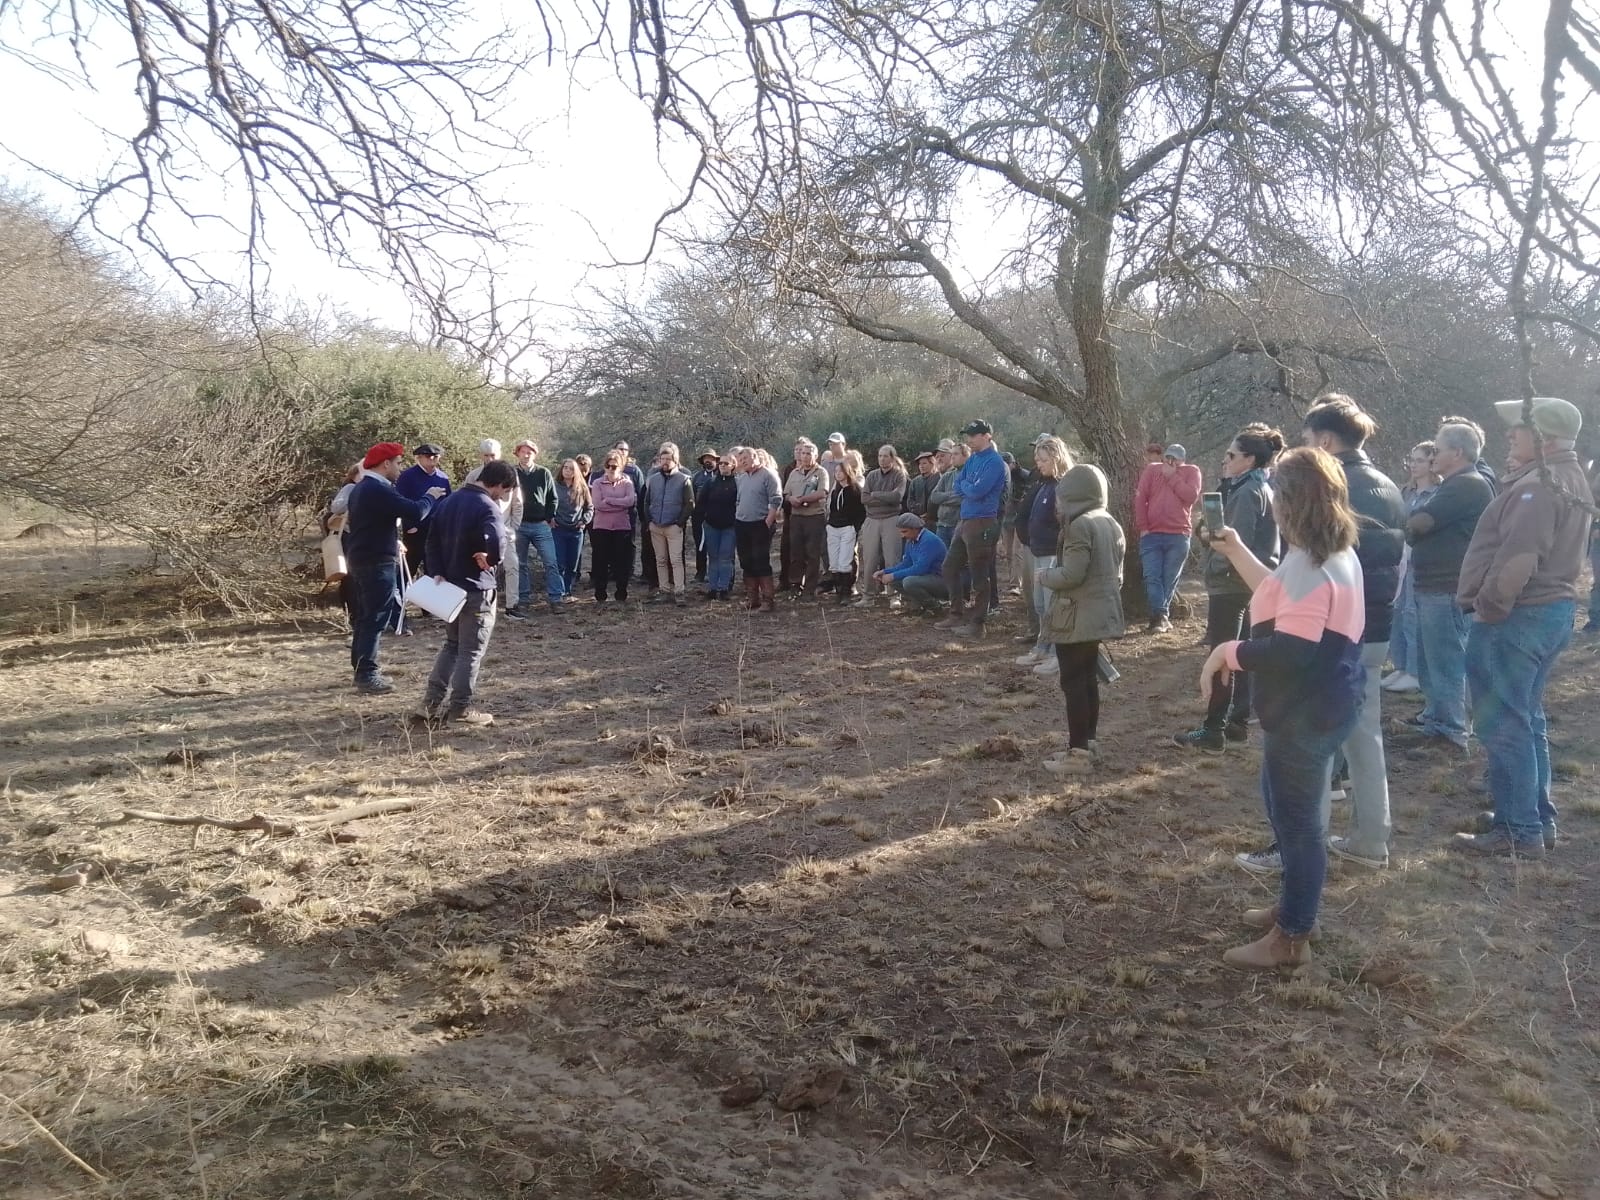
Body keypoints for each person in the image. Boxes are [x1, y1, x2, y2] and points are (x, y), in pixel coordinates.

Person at [1200, 447, 1366, 969]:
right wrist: (1237, 552)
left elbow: (1292, 651)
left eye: (1276, 494)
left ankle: (1292, 936)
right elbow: (1279, 592)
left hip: (1305, 711)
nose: (1270, 504)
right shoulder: (1319, 553)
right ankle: (1295, 907)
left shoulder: (1316, 565)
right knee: (1283, 808)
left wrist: (1228, 652)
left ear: (1290, 502)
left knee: (1298, 825)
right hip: (1310, 705)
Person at [1453, 398, 1594, 858]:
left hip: (1518, 617)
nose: (1510, 434)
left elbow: (1518, 560)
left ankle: (1520, 830)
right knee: (1527, 719)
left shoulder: (1540, 486)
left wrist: (1488, 610)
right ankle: (1534, 816)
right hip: (1548, 612)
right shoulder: (1567, 479)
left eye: (1519, 428)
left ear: (1545, 438)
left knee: (1503, 724)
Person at [1298, 394, 1406, 872]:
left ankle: (1306, 839)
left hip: (1338, 629)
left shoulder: (1332, 486)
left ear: (1324, 439)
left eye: (1306, 440)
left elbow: (1317, 562)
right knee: (1364, 734)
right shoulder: (1389, 485)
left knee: (1317, 735)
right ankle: (1371, 837)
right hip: (1379, 624)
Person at [1174, 425, 1283, 757]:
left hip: (1232, 583)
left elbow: (1234, 543)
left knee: (1222, 654)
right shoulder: (1260, 487)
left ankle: (1214, 729)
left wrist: (1203, 533)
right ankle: (1235, 723)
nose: (1225, 460)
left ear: (1249, 460)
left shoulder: (1248, 492)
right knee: (1244, 653)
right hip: (1249, 583)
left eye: (1231, 455)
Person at [1400, 420, 1494, 754]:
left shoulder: (1466, 485)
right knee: (1431, 662)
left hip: (1447, 588)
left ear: (1457, 452)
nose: (1433, 455)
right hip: (1434, 587)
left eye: (1437, 450)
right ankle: (1437, 723)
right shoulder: (1453, 484)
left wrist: (1409, 525)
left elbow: (1418, 523)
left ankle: (1451, 735)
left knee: (1446, 662)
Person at [1039, 463, 1126, 774]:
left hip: (1076, 617)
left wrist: (1045, 576)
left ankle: (1077, 755)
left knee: (1074, 683)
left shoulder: (1079, 526)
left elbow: (1072, 575)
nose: (1058, 503)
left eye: (1062, 496)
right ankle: (1088, 744)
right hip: (1099, 615)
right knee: (1088, 681)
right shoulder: (1109, 521)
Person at [418, 459, 517, 726]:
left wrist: (436, 570)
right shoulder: (488, 506)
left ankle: (429, 704)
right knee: (470, 652)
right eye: (504, 490)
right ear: (498, 484)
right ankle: (460, 710)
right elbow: (497, 540)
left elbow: (431, 539)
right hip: (477, 588)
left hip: (449, 586)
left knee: (451, 645)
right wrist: (492, 557)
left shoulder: (449, 501)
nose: (503, 496)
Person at [345, 442, 444, 693]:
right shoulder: (377, 489)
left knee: (366, 618)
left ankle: (362, 671)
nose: (401, 468)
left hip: (362, 558)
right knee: (375, 618)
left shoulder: (363, 488)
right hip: (376, 561)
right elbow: (415, 510)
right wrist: (430, 496)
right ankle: (367, 674)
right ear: (386, 463)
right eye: (398, 463)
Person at [936, 421, 1008, 638]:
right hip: (965, 520)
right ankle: (956, 613)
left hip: (983, 521)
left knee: (979, 574)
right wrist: (969, 486)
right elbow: (960, 484)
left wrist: (968, 487)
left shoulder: (995, 462)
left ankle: (978, 624)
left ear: (987, 436)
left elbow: (977, 491)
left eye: (974, 435)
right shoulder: (974, 458)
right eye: (968, 435)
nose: (970, 439)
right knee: (949, 566)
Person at [1381, 442, 1442, 693]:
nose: (1414, 465)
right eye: (1412, 459)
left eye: (1420, 460)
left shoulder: (1438, 494)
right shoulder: (1406, 491)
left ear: (1432, 463)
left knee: (1411, 613)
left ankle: (1416, 672)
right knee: (1397, 611)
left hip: (1420, 561)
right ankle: (1402, 666)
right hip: (1400, 558)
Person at [1015, 436, 1073, 674]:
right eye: (1037, 459)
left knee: (1053, 606)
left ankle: (1057, 654)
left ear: (1056, 458)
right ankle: (1043, 646)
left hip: (1052, 554)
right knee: (1040, 605)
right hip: (1037, 551)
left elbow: (1065, 523)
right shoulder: (1044, 484)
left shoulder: (1063, 486)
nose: (1038, 463)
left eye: (1043, 459)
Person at [1134, 443, 1203, 632]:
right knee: (1151, 576)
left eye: (1175, 459)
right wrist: (1143, 527)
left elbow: (1190, 496)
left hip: (1179, 535)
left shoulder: (1191, 471)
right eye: (1168, 457)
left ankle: (1159, 618)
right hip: (1152, 534)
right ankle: (1161, 617)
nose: (1170, 462)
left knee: (1169, 578)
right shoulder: (1151, 470)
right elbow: (1140, 498)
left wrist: (1173, 477)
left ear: (1182, 460)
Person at [463, 439, 524, 618]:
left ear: (499, 454)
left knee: (512, 566)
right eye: (486, 455)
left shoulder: (510, 474)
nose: (490, 459)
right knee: (484, 567)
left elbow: (517, 503)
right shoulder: (473, 476)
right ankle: (484, 605)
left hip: (504, 528)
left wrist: (513, 528)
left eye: (493, 455)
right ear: (481, 456)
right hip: (480, 531)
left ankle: (512, 606)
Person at [509, 438, 565, 615]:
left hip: (541, 525)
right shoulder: (511, 473)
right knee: (521, 564)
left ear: (535, 454)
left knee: (551, 562)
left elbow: (552, 498)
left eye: (529, 452)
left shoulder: (544, 473)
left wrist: (548, 517)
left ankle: (556, 599)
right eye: (523, 451)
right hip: (519, 525)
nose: (526, 455)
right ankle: (523, 599)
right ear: (517, 453)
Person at [643, 444, 696, 605]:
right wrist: (650, 521)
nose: (665, 462)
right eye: (662, 459)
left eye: (668, 459)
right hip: (656, 527)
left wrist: (679, 523)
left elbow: (690, 504)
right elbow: (646, 502)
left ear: (675, 460)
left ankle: (679, 591)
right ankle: (664, 590)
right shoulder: (653, 480)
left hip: (673, 527)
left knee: (676, 560)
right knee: (660, 559)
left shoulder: (684, 479)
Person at [857, 445, 909, 607]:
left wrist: (876, 495)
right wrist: (883, 498)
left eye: (886, 456)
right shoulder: (872, 476)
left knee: (892, 558)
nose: (882, 459)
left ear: (893, 458)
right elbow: (864, 498)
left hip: (891, 519)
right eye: (880, 456)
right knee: (870, 558)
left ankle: (894, 595)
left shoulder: (899, 476)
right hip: (872, 520)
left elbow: (897, 497)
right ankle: (868, 597)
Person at [735, 446, 783, 610]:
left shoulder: (768, 475)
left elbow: (776, 500)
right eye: (741, 460)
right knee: (746, 561)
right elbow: (739, 500)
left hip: (760, 524)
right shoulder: (741, 477)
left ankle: (768, 600)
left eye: (746, 459)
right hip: (742, 524)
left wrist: (768, 522)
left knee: (760, 560)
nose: (743, 462)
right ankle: (752, 598)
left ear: (755, 457)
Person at [784, 437, 832, 598]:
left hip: (814, 517)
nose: (805, 456)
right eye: (803, 453)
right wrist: (792, 500)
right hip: (796, 518)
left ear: (816, 456)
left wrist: (803, 499)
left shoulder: (821, 472)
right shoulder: (794, 473)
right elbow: (786, 493)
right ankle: (795, 585)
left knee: (813, 554)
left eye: (809, 453)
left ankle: (810, 589)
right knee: (796, 553)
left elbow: (822, 492)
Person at [395, 443, 451, 576]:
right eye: (427, 456)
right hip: (416, 529)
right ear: (419, 458)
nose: (431, 459)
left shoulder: (443, 478)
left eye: (435, 456)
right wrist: (409, 525)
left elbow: (448, 501)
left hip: (437, 529)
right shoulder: (407, 476)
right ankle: (401, 594)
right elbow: (401, 502)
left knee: (433, 567)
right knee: (409, 566)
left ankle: (428, 596)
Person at [590, 451, 638, 604]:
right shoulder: (597, 483)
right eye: (608, 466)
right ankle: (600, 594)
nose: (611, 469)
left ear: (621, 466)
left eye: (615, 466)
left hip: (621, 527)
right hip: (601, 528)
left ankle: (621, 593)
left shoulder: (628, 482)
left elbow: (630, 501)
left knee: (621, 562)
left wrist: (609, 500)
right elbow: (597, 504)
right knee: (601, 561)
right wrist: (619, 503)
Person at [878, 512, 949, 613]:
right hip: (927, 578)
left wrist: (892, 575)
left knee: (909, 582)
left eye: (905, 532)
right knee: (895, 581)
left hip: (942, 581)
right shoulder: (911, 540)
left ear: (915, 528)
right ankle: (919, 605)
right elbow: (906, 563)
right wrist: (886, 572)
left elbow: (920, 568)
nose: (902, 536)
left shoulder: (929, 540)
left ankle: (934, 608)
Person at [696, 451, 740, 601]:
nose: (722, 466)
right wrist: (703, 519)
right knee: (713, 557)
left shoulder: (737, 483)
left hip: (730, 526)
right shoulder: (711, 482)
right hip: (711, 525)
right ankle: (713, 588)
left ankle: (724, 588)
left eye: (726, 463)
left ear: (733, 465)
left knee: (725, 558)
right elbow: (701, 503)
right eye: (720, 463)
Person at [825, 458, 867, 602]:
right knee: (834, 560)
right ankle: (838, 590)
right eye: (835, 471)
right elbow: (831, 509)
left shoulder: (855, 490)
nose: (837, 474)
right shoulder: (836, 490)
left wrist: (854, 528)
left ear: (847, 471)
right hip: (833, 527)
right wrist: (829, 524)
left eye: (840, 471)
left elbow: (861, 511)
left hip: (848, 528)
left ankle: (846, 592)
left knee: (845, 560)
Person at [552, 459, 593, 598]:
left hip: (576, 531)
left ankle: (568, 591)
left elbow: (590, 508)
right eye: (565, 468)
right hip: (558, 529)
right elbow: (547, 504)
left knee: (572, 565)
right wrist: (549, 518)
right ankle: (560, 592)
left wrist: (584, 520)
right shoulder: (554, 486)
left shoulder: (582, 487)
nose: (567, 471)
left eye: (570, 468)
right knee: (560, 563)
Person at [691, 448, 719, 584]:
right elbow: (691, 496)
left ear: (716, 460)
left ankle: (715, 573)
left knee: (715, 545)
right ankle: (700, 572)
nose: (708, 461)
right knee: (700, 545)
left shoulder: (721, 475)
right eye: (706, 458)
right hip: (700, 516)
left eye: (711, 458)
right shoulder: (696, 477)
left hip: (717, 515)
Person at [928, 440, 963, 544]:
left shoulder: (962, 473)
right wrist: (951, 495)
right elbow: (934, 497)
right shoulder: (940, 476)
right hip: (941, 525)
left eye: (942, 455)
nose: (939, 459)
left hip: (957, 525)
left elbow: (961, 497)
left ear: (951, 456)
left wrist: (942, 498)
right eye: (937, 456)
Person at [905, 451, 938, 528]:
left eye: (924, 463)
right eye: (920, 464)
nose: (921, 466)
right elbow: (910, 500)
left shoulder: (939, 478)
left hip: (935, 520)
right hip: (918, 519)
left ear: (932, 464)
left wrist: (930, 513)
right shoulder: (915, 481)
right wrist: (918, 512)